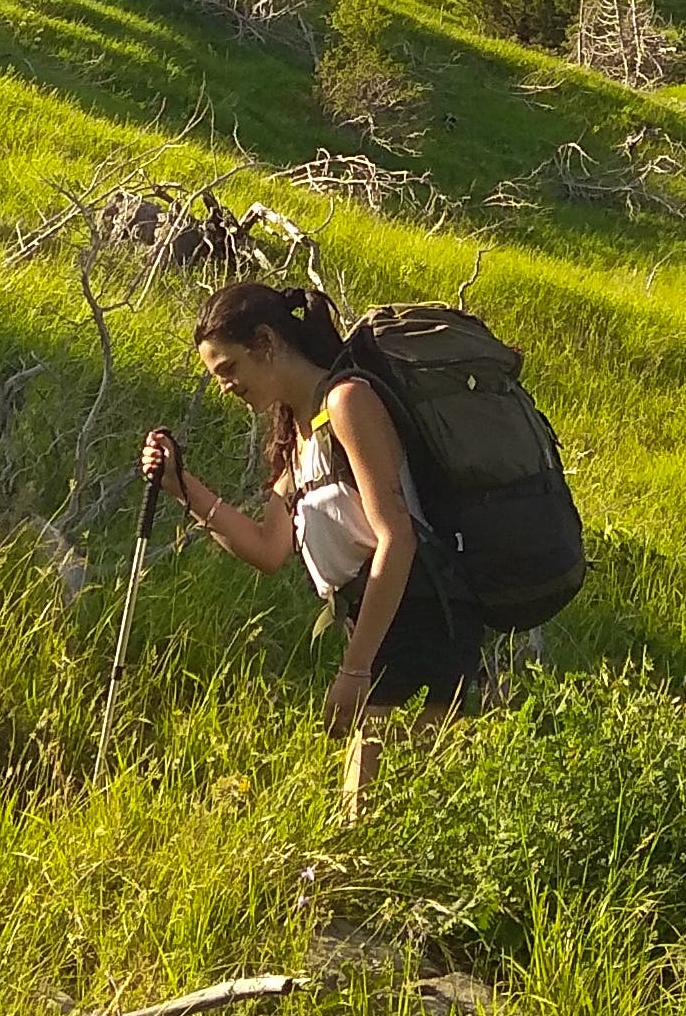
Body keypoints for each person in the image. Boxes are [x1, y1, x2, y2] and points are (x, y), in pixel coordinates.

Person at [140, 281, 484, 819]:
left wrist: (355, 669)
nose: (226, 386)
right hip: (375, 617)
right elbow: (267, 549)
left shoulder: (347, 402)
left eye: (229, 368)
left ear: (266, 343)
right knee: (374, 810)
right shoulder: (293, 434)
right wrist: (183, 487)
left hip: (422, 612)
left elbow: (397, 536)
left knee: (384, 810)